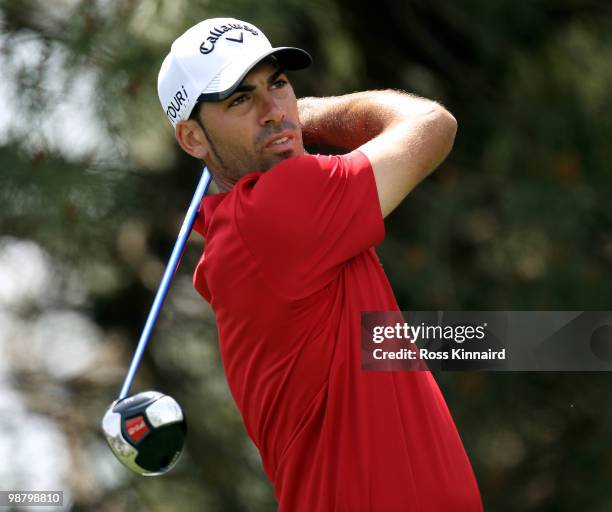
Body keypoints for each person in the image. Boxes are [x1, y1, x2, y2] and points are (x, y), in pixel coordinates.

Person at [157, 17, 483, 511]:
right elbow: (432, 125)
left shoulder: (250, 236)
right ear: (193, 140)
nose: (272, 110)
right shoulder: (273, 213)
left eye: (279, 84)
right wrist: (306, 112)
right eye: (240, 99)